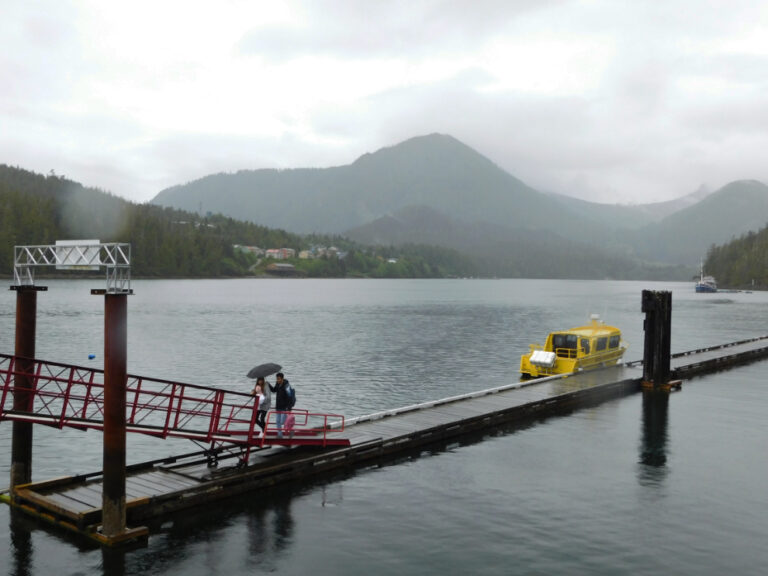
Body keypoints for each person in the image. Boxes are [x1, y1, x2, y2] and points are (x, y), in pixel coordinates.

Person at [269, 372, 292, 438]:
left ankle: (290, 429)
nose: (277, 380)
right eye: (277, 379)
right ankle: (280, 435)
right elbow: (274, 390)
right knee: (277, 421)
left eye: (279, 379)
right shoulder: (277, 384)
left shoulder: (286, 385)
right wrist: (268, 384)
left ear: (282, 378)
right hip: (278, 406)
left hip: (284, 407)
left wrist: (289, 408)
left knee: (282, 421)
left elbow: (289, 396)